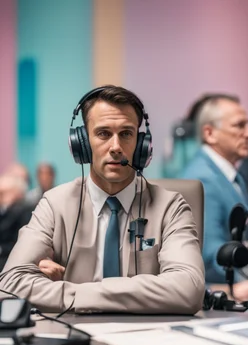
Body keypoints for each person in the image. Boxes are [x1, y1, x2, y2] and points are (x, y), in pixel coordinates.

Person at [0, 85, 205, 314]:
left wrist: (71, 292)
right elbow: (10, 284)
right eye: (103, 134)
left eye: (126, 134)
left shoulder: (171, 207)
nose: (116, 147)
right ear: (83, 144)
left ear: (141, 145)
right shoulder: (54, 204)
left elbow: (189, 289)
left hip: (150, 340)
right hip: (73, 338)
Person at [180, 93, 248, 301]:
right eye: (239, 126)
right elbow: (212, 256)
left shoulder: (226, 174)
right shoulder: (203, 179)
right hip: (224, 296)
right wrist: (241, 284)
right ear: (210, 133)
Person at [0, 174, 33, 271]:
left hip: (12, 262)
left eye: (3, 193)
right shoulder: (4, 211)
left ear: (16, 193)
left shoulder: (24, 211)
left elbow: (20, 241)